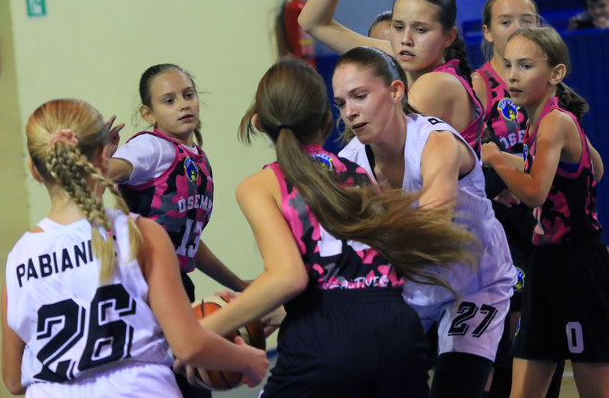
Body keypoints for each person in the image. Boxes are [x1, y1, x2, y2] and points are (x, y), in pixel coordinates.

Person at [195, 58, 480, 398]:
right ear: (328, 121)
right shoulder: (360, 173)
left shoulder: (261, 184)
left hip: (325, 339)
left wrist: (198, 332)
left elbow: (287, 277)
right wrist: (275, 307)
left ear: (258, 123)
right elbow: (347, 269)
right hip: (397, 328)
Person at [1, 98, 268, 397]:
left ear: (34, 170)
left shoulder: (18, 258)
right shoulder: (140, 234)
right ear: (106, 158)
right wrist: (248, 360)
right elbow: (188, 346)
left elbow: (13, 380)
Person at [333, 47, 516, 398]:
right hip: (413, 286)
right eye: (341, 103)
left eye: (359, 96)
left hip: (475, 282)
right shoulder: (348, 163)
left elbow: (432, 227)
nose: (350, 111)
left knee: (456, 387)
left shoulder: (436, 142)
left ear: (396, 91)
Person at [482, 26, 609, 398]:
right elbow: (595, 168)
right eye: (508, 65)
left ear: (556, 73)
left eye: (525, 66)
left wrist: (495, 158)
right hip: (545, 264)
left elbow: (534, 193)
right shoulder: (538, 122)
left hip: (578, 267)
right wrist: (506, 160)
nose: (513, 75)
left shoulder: (556, 121)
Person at [108, 63, 249, 398]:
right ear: (148, 113)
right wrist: (98, 156)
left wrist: (240, 285)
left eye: (188, 95)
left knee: (190, 383)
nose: (184, 105)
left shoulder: (195, 157)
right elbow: (107, 171)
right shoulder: (151, 148)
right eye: (169, 100)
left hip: (174, 283)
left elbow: (189, 244)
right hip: (138, 287)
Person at [298, 0, 485, 156]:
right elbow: (313, 22)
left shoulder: (437, 83)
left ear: (448, 37)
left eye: (421, 30)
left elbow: (382, 145)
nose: (406, 39)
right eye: (398, 27)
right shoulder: (398, 56)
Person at [473, 0, 564, 398]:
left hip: (547, 222)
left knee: (548, 333)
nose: (516, 28)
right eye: (505, 21)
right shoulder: (476, 85)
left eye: (527, 20)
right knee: (506, 338)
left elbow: (584, 160)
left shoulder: (550, 84)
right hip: (499, 228)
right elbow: (471, 157)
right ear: (488, 31)